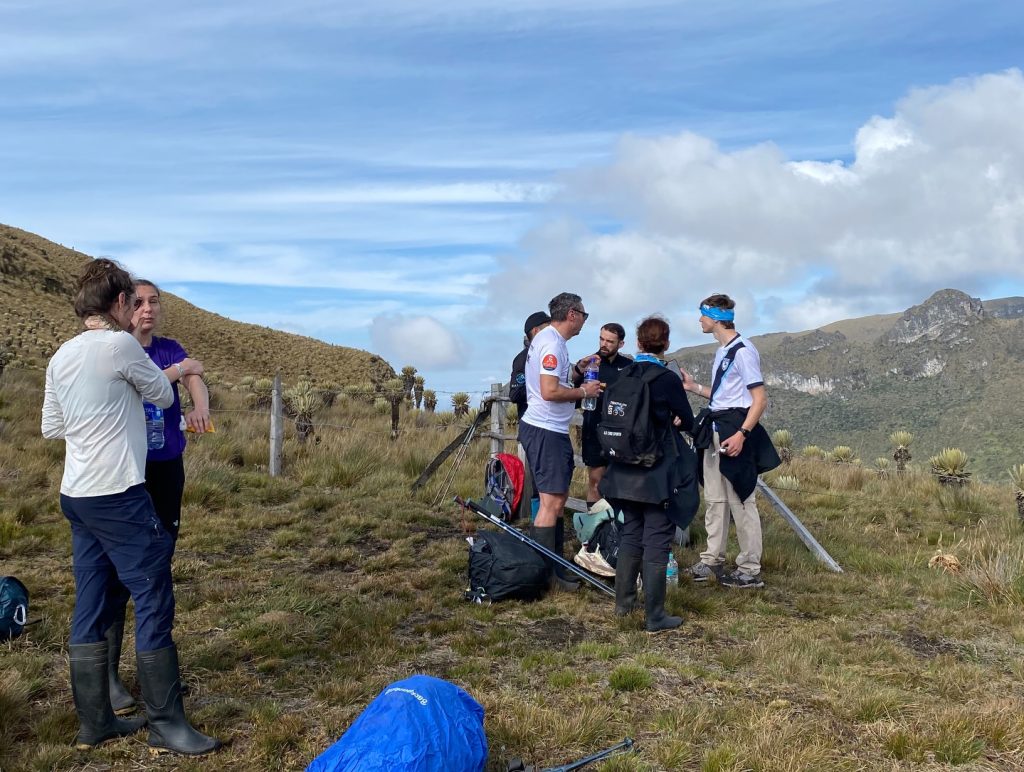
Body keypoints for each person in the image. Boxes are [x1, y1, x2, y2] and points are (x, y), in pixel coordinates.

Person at [42, 258, 220, 755]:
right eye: (131, 301)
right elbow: (163, 394)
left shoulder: (62, 354)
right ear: (119, 303)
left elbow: (51, 426)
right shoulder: (120, 344)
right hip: (118, 491)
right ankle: (166, 724)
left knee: (93, 600)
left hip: (76, 493)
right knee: (154, 594)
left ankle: (95, 722)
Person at [100, 279, 208, 716]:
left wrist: (200, 405)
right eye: (140, 302)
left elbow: (195, 373)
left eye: (155, 302)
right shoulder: (116, 350)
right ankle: (107, 677)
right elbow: (146, 385)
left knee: (159, 563)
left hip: (166, 469)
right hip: (127, 472)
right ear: (123, 307)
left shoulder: (168, 346)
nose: (148, 309)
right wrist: (181, 371)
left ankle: (156, 672)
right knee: (116, 574)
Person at [599, 316, 696, 632]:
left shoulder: (624, 373)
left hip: (623, 470)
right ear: (665, 344)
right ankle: (655, 616)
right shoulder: (666, 379)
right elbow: (687, 418)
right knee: (656, 539)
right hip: (655, 473)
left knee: (631, 535)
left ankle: (623, 605)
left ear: (638, 343)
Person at [680, 294, 779, 589]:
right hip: (716, 427)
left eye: (702, 315)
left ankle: (749, 567)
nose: (699, 320)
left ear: (715, 317)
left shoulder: (743, 351)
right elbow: (724, 395)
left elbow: (758, 400)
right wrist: (693, 387)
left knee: (741, 498)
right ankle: (712, 559)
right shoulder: (723, 351)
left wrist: (742, 434)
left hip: (734, 429)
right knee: (715, 498)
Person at [519, 292, 602, 591]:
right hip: (545, 430)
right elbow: (550, 391)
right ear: (572, 314)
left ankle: (553, 567)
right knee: (551, 503)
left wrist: (578, 371)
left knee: (554, 500)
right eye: (584, 314)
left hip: (548, 429)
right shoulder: (552, 343)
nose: (584, 319)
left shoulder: (551, 341)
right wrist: (584, 392)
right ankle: (544, 575)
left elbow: (554, 380)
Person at [570, 322, 633, 508]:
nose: (604, 344)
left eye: (610, 341)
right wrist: (579, 371)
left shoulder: (629, 366)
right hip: (594, 429)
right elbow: (572, 390)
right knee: (596, 482)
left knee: (620, 484)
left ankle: (617, 531)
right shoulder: (589, 364)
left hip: (621, 433)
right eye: (602, 339)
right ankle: (594, 533)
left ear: (621, 344)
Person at [509, 311, 551, 419]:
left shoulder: (550, 355)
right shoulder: (522, 359)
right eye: (547, 329)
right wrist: (544, 388)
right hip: (531, 425)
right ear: (536, 331)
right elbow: (515, 394)